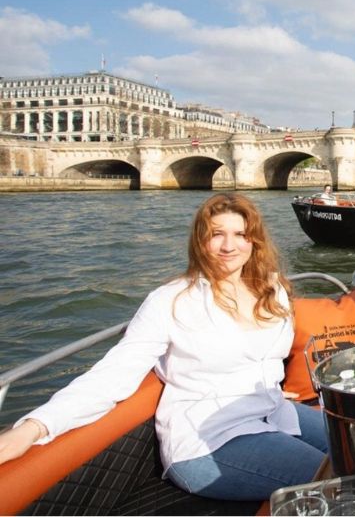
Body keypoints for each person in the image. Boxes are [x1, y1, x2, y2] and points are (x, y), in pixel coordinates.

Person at [0, 193, 329, 501]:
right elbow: (113, 375)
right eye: (217, 234)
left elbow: (264, 359)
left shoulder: (271, 290)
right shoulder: (171, 301)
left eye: (240, 234)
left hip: (272, 411)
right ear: (200, 241)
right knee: (342, 476)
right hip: (209, 441)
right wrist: (34, 427)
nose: (229, 246)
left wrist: (266, 385)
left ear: (253, 241)